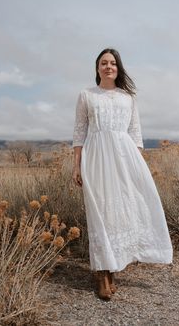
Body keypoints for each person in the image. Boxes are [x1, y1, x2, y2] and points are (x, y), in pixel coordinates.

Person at [72, 48, 173, 301]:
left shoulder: (128, 97)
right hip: (95, 157)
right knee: (101, 212)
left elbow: (135, 132)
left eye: (113, 63)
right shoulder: (87, 95)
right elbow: (79, 132)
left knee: (121, 211)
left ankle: (113, 266)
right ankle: (102, 274)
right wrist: (76, 165)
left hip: (124, 158)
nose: (108, 67)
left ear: (118, 68)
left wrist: (137, 165)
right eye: (104, 63)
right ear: (97, 68)